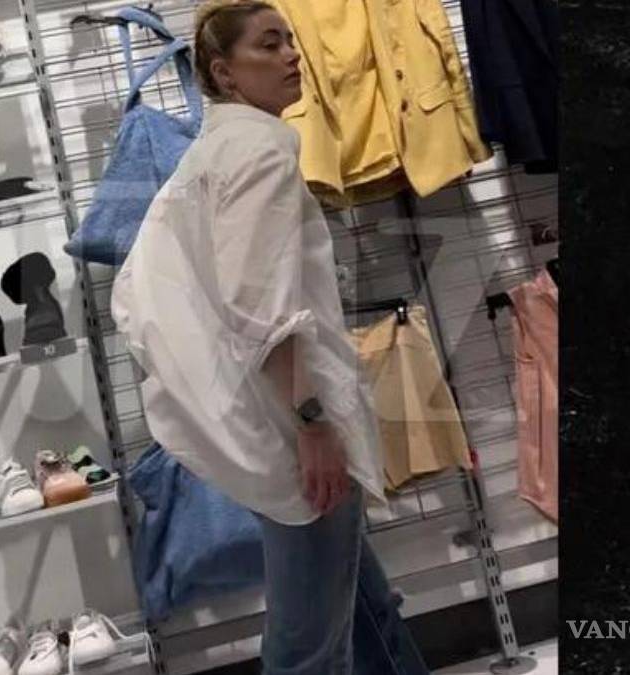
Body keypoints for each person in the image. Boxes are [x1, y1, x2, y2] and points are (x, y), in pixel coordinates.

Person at [111, 1, 432, 673]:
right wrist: (312, 423)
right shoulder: (261, 149)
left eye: (289, 40)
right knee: (306, 648)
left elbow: (142, 292)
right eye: (268, 45)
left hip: (262, 411)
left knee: (361, 605)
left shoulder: (212, 154)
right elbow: (263, 306)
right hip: (291, 422)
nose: (292, 55)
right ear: (225, 73)